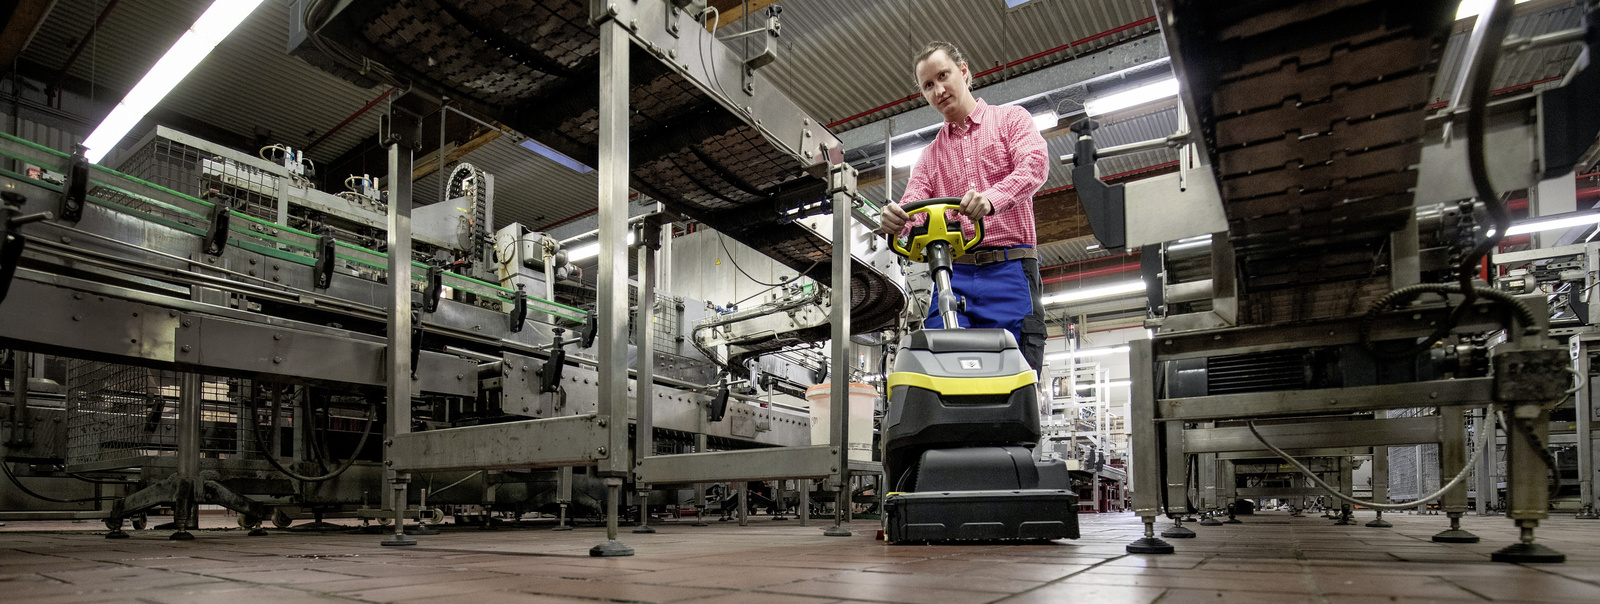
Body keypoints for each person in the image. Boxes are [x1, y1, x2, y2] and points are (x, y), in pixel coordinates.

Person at [878, 41, 1051, 369]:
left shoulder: (1010, 121)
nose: (938, 89)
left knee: (1017, 379)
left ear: (964, 71)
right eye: (928, 85)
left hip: (1011, 270)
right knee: (940, 370)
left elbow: (1035, 164)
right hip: (953, 277)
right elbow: (912, 206)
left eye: (943, 76)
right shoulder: (929, 157)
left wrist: (991, 198)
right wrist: (896, 219)